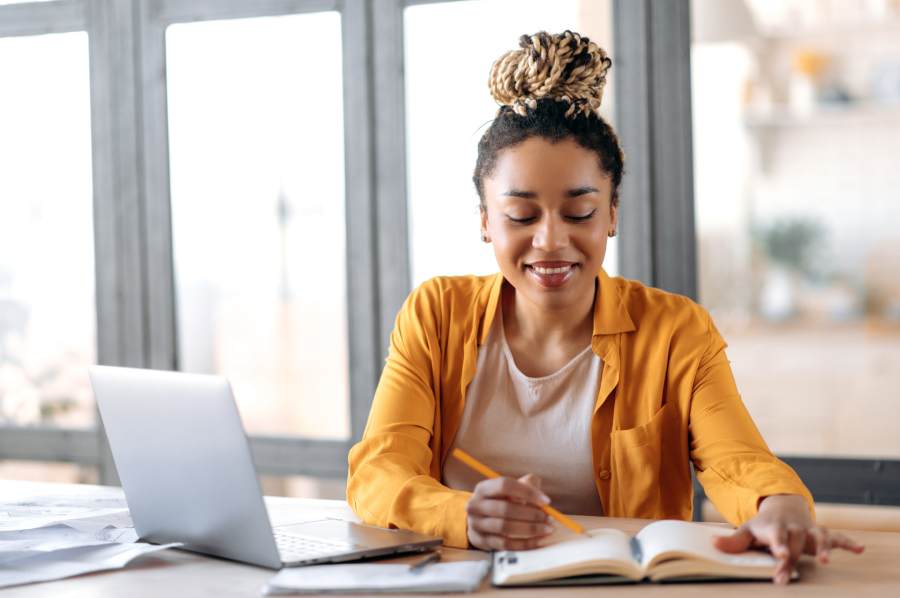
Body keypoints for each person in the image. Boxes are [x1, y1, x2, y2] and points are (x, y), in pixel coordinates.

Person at [346, 30, 863, 584]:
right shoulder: (435, 315)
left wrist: (777, 505)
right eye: (521, 216)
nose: (550, 241)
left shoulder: (676, 331)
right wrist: (461, 515)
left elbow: (737, 459)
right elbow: (378, 470)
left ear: (612, 213)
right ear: (484, 221)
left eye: (579, 213)